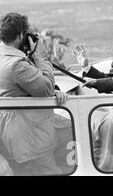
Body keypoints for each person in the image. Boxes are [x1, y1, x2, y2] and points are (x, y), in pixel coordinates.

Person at [0, 12, 68, 175]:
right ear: (20, 36)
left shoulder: (6, 57)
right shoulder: (16, 63)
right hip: (30, 139)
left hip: (11, 134)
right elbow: (45, 88)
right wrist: (40, 55)